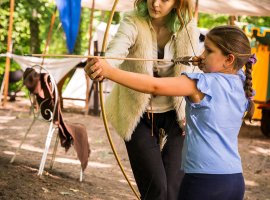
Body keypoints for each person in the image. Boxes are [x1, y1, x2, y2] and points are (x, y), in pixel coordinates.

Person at [85, 25, 256, 200]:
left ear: (229, 59)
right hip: (234, 180)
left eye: (208, 51)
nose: (202, 55)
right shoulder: (241, 83)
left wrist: (109, 71)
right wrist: (202, 61)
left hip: (203, 181)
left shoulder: (201, 84)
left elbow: (154, 86)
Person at [89, 0, 200, 199]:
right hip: (137, 114)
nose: (155, 3)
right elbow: (115, 52)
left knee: (174, 191)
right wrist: (102, 67)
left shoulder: (187, 25)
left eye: (165, 0)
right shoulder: (132, 21)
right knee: (156, 190)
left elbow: (193, 70)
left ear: (177, 3)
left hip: (178, 115)